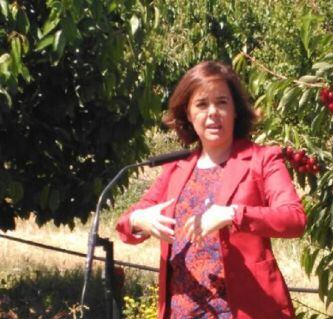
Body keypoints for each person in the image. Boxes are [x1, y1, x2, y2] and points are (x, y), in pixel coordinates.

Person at [115, 61, 307, 319]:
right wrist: (139, 219)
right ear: (188, 113)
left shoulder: (262, 160)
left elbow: (294, 219)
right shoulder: (176, 169)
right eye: (202, 104)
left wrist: (234, 214)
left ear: (236, 110)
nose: (213, 112)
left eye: (222, 103)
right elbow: (126, 225)